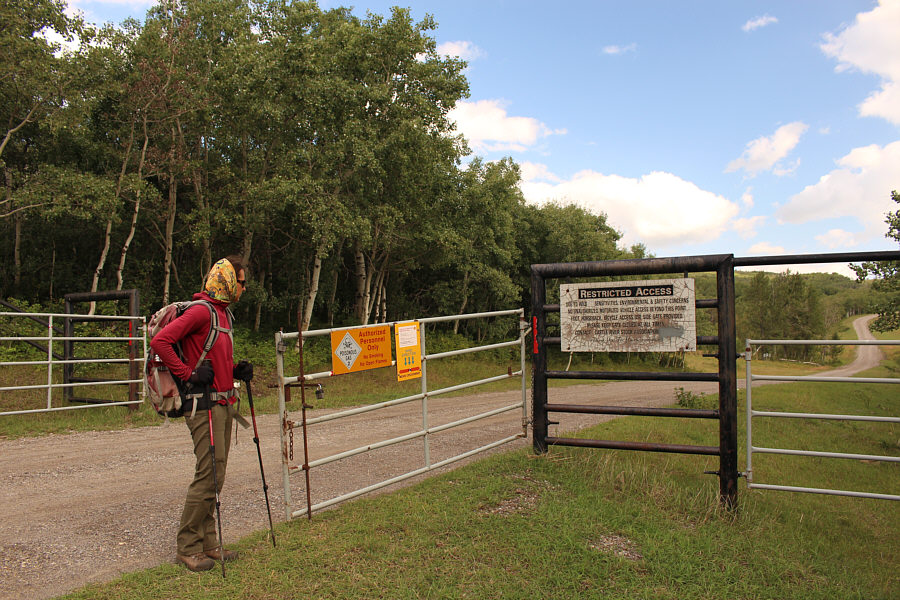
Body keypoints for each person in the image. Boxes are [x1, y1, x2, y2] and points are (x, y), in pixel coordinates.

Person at [150, 255, 254, 572]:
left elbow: (212, 359)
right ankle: (188, 546)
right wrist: (188, 374)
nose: (244, 287)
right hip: (202, 404)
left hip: (223, 403)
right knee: (208, 474)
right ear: (226, 281)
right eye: (241, 281)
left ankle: (208, 542)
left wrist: (235, 370)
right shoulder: (201, 311)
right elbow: (161, 341)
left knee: (216, 475)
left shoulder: (223, 314)